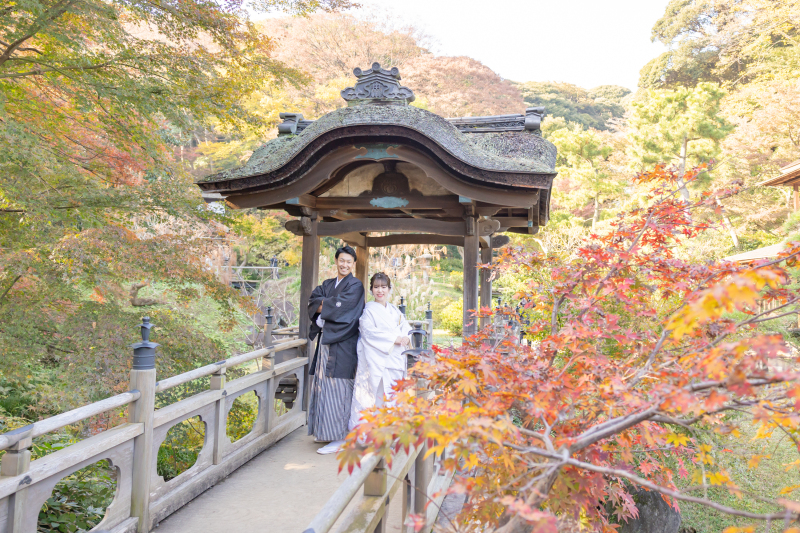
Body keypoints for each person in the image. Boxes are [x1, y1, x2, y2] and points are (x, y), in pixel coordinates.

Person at [307, 246, 365, 454]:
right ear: (336, 260)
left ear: (353, 264)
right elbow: (314, 302)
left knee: (339, 389)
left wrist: (325, 312)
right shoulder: (328, 284)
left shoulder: (355, 286)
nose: (345, 264)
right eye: (342, 260)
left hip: (343, 345)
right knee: (324, 387)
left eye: (349, 262)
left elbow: (347, 312)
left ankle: (340, 437)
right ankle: (325, 432)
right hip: (325, 346)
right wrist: (327, 307)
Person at [349, 272, 411, 431]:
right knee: (374, 396)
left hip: (394, 359)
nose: (380, 290)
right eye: (376, 287)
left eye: (383, 287)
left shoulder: (394, 310)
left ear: (389, 289)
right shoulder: (368, 310)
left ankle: (392, 433)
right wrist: (394, 339)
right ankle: (368, 434)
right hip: (376, 360)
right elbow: (368, 332)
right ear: (371, 290)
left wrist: (405, 337)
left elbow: (406, 327)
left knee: (392, 395)